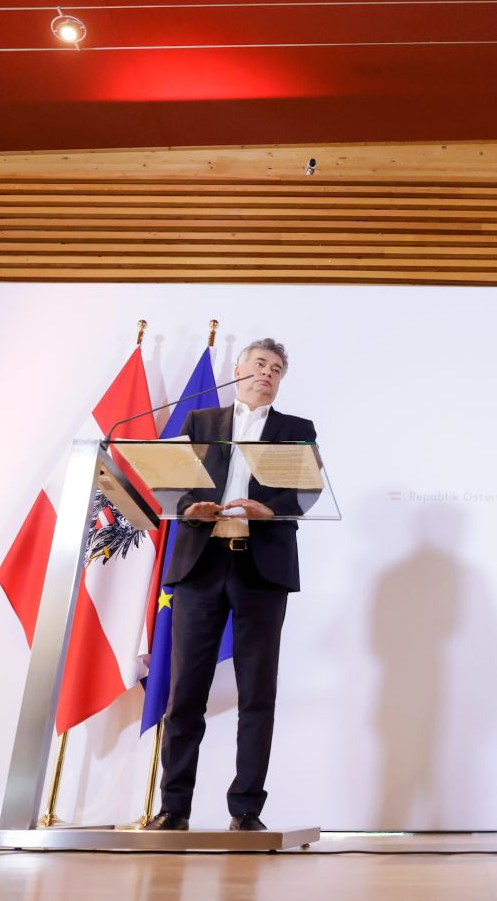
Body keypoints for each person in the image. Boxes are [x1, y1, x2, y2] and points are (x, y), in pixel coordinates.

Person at [143, 338, 317, 832]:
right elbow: (174, 484)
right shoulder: (202, 423)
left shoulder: (296, 430)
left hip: (261, 571)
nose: (268, 373)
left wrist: (274, 509)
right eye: (260, 364)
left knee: (257, 695)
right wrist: (188, 508)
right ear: (238, 370)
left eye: (277, 369)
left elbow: (304, 494)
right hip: (201, 566)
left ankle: (246, 811)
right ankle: (173, 808)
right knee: (185, 693)